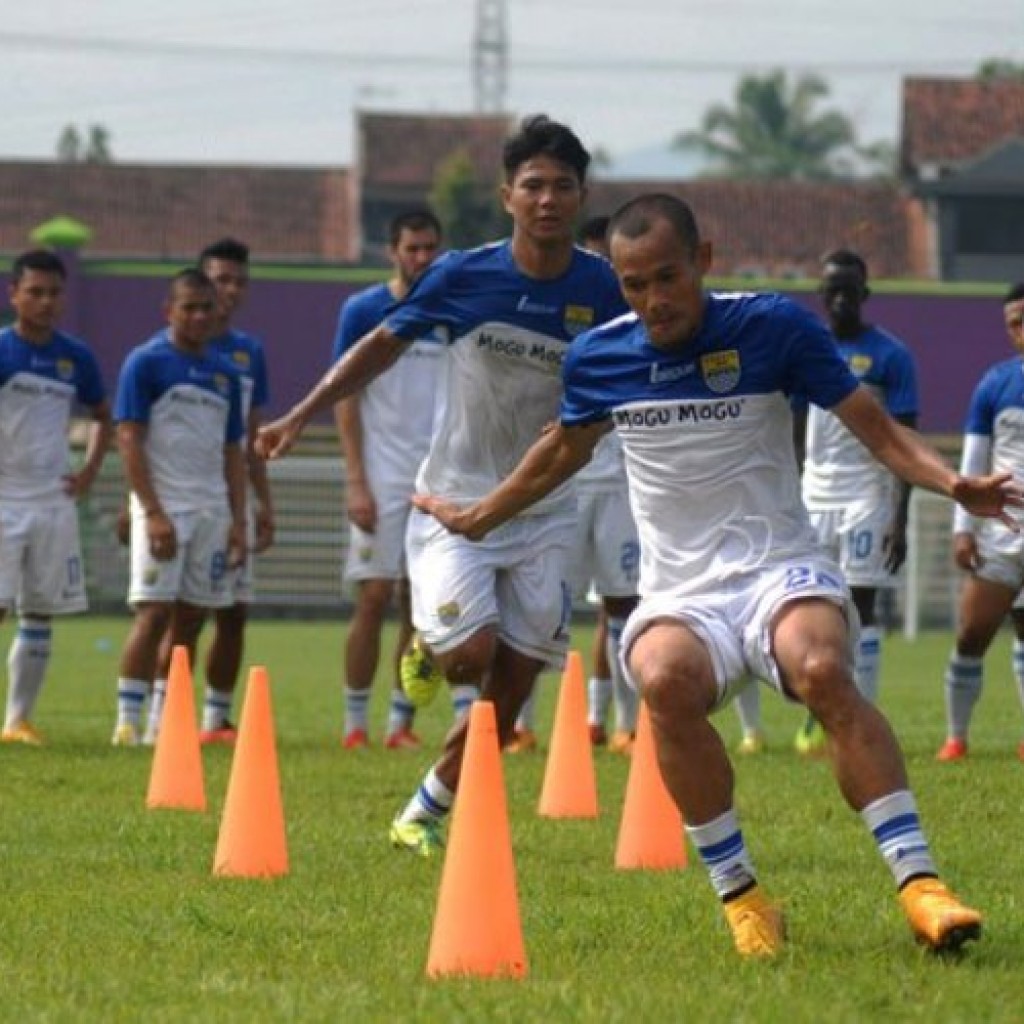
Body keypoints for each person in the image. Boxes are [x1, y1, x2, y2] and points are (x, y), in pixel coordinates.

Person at [410, 193, 1014, 958]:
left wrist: (948, 482)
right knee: (661, 679)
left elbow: (873, 425)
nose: (654, 300)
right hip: (681, 595)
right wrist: (480, 516)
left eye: (667, 277)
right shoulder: (602, 356)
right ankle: (744, 897)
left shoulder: (772, 327)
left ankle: (920, 884)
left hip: (778, 569)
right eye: (634, 285)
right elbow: (562, 450)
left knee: (823, 667)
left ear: (703, 259)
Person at [256, 115, 629, 854]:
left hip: (547, 509)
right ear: (506, 196)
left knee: (515, 687)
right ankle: (431, 640)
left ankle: (424, 809)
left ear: (583, 197)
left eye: (562, 186)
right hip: (454, 503)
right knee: (470, 657)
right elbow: (380, 346)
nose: (548, 199)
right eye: (533, 186)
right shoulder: (464, 274)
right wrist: (302, 414)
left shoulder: (606, 289)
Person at [734, 250, 920, 756]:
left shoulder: (890, 356)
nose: (839, 298)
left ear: (865, 293)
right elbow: (791, 433)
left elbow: (905, 441)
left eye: (849, 289)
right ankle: (823, 713)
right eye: (830, 289)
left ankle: (862, 718)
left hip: (868, 497)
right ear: (821, 294)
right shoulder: (806, 349)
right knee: (811, 605)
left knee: (862, 603)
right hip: (813, 496)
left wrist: (900, 519)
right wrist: (784, 493)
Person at [507, 213, 641, 756]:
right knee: (540, 605)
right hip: (563, 484)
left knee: (624, 605)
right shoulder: (554, 326)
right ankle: (521, 725)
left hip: (621, 486)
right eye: (595, 260)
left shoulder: (637, 331)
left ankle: (624, 724)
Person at [142, 239, 273, 746]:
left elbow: (251, 434)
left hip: (229, 501)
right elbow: (138, 432)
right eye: (220, 280)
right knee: (177, 615)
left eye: (239, 281)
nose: (230, 291)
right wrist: (142, 506)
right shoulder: (164, 351)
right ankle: (159, 713)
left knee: (234, 611)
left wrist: (263, 504)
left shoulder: (248, 352)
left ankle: (216, 719)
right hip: (178, 499)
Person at [111, 269, 247, 746]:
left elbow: (233, 453)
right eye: (188, 307)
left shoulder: (225, 374)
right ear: (168, 310)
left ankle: (162, 724)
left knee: (191, 618)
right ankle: (127, 722)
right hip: (165, 508)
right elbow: (128, 436)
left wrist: (236, 520)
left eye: (206, 307)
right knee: (151, 615)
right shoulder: (145, 363)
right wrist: (151, 511)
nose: (198, 316)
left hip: (211, 511)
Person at [332, 209, 445, 750]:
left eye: (430, 248)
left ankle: (400, 724)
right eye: (412, 248)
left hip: (438, 478)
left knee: (419, 604)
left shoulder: (451, 311)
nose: (422, 258)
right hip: (381, 473)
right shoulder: (363, 309)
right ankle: (355, 724)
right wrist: (356, 479)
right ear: (392, 251)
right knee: (373, 596)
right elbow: (344, 394)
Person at [0, 249, 112, 745]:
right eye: (35, 292)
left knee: (39, 610)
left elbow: (103, 415)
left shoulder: (76, 357)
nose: (46, 302)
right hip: (4, 498)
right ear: (14, 295)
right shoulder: (2, 350)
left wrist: (88, 468)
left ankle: (17, 720)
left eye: (54, 293)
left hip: (51, 501)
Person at [937, 282, 1024, 762]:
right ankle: (956, 737)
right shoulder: (995, 383)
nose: (1021, 330)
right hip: (1001, 529)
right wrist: (962, 528)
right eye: (1014, 322)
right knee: (972, 634)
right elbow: (972, 462)